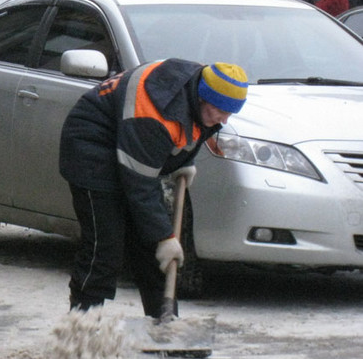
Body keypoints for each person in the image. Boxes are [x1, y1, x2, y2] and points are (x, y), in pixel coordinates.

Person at [60, 59, 248, 318]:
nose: (224, 120)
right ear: (203, 97)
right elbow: (140, 185)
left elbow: (190, 126)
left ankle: (165, 327)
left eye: (229, 113)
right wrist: (165, 237)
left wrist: (183, 159)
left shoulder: (200, 89)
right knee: (105, 248)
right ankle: (82, 328)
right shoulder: (155, 111)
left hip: (133, 144)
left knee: (153, 254)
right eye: (220, 111)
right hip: (92, 146)